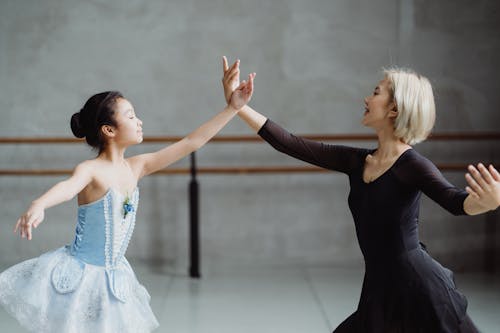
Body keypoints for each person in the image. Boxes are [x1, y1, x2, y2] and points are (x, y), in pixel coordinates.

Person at [221, 57, 500, 332]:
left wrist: (487, 202)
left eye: (376, 92)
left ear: (394, 109)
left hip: (420, 289)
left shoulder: (414, 165)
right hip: (380, 289)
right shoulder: (358, 161)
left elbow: (455, 201)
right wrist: (238, 107)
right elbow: (291, 144)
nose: (367, 98)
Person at [0, 70, 255, 332]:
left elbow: (192, 141)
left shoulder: (137, 167)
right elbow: (67, 187)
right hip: (81, 275)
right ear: (109, 130)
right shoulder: (91, 169)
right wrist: (39, 203)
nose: (139, 121)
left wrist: (232, 108)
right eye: (131, 116)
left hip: (115, 276)